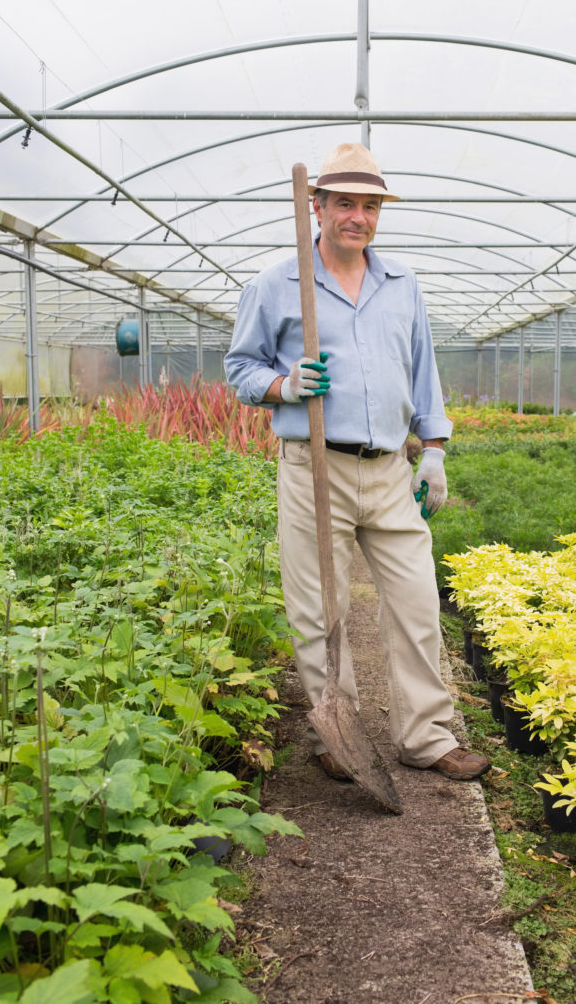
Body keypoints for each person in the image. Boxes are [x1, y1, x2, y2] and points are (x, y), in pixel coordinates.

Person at [224, 142, 490, 783]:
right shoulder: (277, 283)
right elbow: (240, 369)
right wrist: (284, 387)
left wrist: (433, 451)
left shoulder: (402, 284)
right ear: (317, 207)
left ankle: (425, 736)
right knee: (321, 607)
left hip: (390, 470)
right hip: (315, 464)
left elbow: (423, 370)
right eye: (345, 203)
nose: (358, 217)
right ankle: (336, 730)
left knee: (418, 601)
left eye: (370, 205)